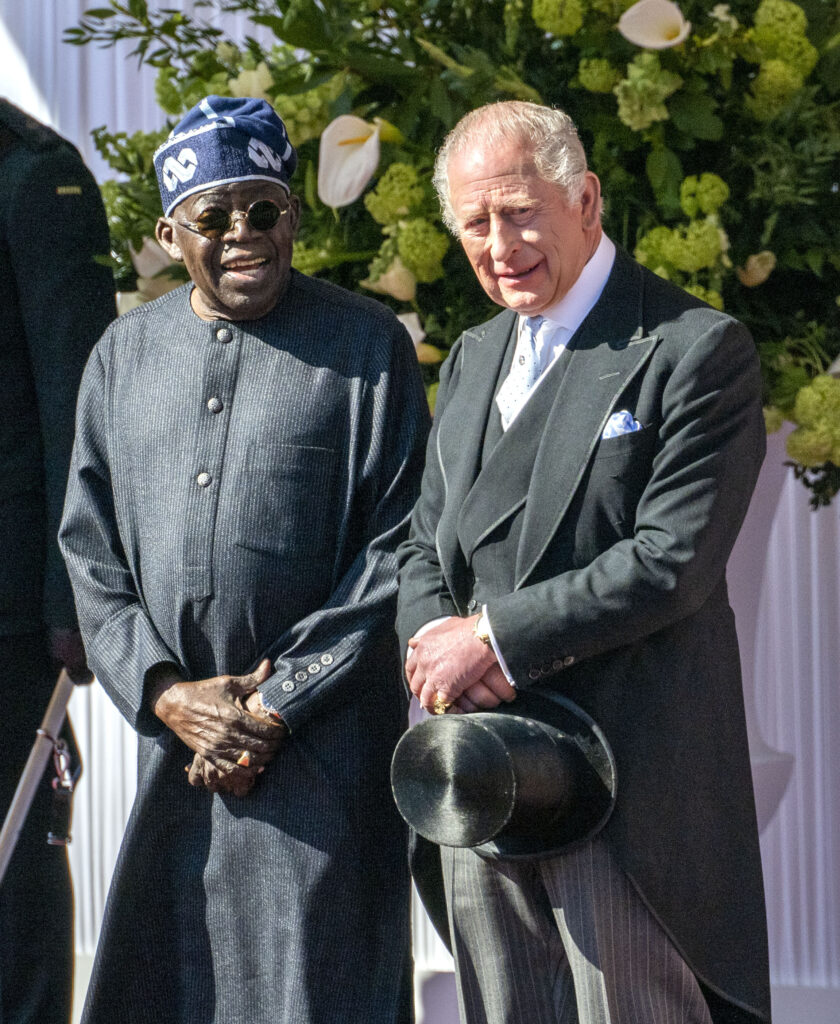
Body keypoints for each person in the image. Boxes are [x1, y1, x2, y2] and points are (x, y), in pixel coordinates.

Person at [396, 101, 770, 1024]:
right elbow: (420, 545)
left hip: (626, 790)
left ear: (586, 199)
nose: (500, 242)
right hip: (478, 777)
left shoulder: (692, 348)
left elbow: (670, 560)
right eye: (475, 223)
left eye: (520, 211)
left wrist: (492, 642)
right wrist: (436, 648)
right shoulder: (475, 356)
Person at [59, 95, 429, 1024]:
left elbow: (399, 544)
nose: (242, 235)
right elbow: (88, 547)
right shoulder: (121, 356)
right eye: (213, 216)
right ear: (168, 231)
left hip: (323, 764)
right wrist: (168, 695)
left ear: (294, 216)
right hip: (172, 761)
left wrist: (272, 703)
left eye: (263, 210)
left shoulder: (368, 345)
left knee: (321, 994)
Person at [0, 98, 115, 1024]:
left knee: (12, 892)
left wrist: (69, 601)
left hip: (4, 621)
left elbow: (78, 401)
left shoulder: (31, 171)